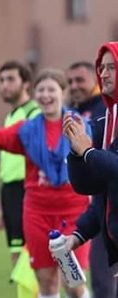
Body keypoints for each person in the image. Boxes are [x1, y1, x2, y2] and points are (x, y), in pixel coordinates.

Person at [0, 68, 91, 298]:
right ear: (35, 95)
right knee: (46, 282)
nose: (46, 95)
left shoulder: (81, 126)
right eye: (41, 90)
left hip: (74, 214)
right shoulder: (26, 131)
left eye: (51, 89)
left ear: (63, 93)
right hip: (38, 215)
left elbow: (96, 163)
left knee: (73, 282)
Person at [66, 42, 118, 293]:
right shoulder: (106, 118)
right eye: (102, 68)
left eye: (112, 67)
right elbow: (94, 187)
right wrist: (76, 154)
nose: (104, 74)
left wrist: (88, 151)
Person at [0, 61, 41, 266]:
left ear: (26, 83)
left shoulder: (34, 114)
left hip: (28, 189)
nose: (5, 85)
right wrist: (5, 206)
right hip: (11, 191)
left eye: (11, 79)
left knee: (31, 257)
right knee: (17, 256)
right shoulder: (10, 116)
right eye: (2, 80)